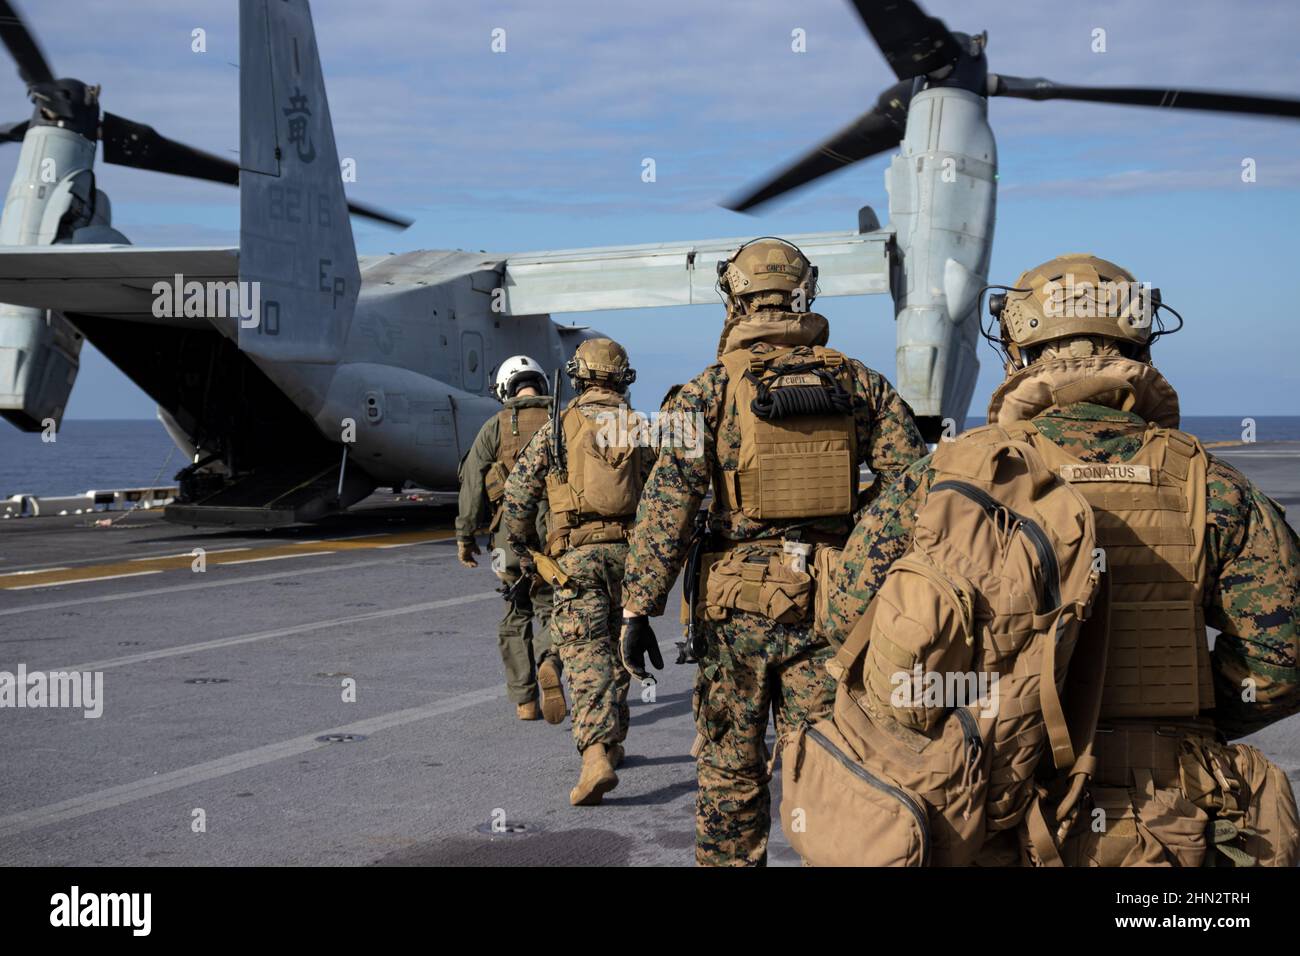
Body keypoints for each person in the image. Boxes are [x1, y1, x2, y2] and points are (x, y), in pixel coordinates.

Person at [827, 253, 1300, 866]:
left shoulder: (946, 476)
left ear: (1020, 344)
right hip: (1161, 813)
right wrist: (1187, 727)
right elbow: (1282, 662)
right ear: (1138, 340)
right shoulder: (1211, 484)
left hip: (985, 803)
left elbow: (847, 623)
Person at [618, 237, 928, 866]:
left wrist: (636, 607)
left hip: (736, 614)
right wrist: (861, 562)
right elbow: (915, 487)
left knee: (731, 767)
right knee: (833, 765)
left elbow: (667, 507)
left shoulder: (704, 392)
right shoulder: (861, 384)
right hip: (836, 609)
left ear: (734, 297)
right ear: (803, 294)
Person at [503, 338, 653, 805]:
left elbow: (517, 497)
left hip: (576, 558)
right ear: (623, 377)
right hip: (630, 560)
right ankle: (614, 741)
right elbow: (670, 499)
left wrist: (527, 547)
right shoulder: (642, 428)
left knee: (587, 658)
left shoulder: (557, 428)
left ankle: (594, 757)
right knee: (621, 647)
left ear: (578, 376)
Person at [456, 355, 563, 724]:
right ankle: (551, 660)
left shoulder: (494, 426)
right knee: (551, 607)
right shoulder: (564, 422)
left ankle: (525, 701)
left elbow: (472, 482)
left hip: (507, 543)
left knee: (515, 611)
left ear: (506, 388)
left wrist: (464, 535)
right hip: (555, 537)